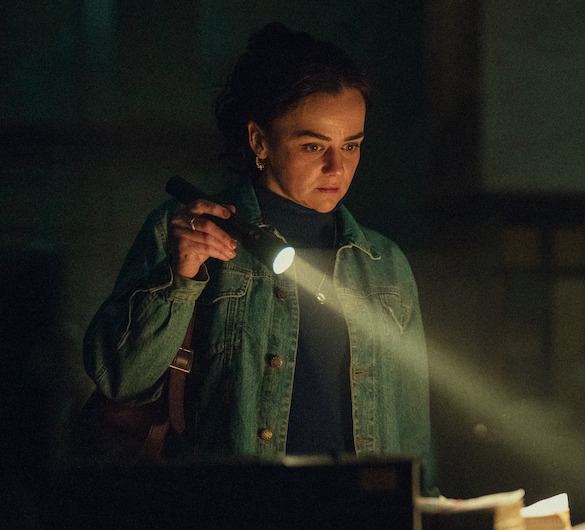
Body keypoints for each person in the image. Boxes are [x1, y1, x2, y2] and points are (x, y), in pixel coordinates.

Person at [82, 23, 435, 493]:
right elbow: (119, 378)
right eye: (314, 146)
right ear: (259, 141)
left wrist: (421, 527)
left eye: (351, 145)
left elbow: (413, 438)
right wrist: (180, 277)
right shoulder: (190, 231)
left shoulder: (383, 264)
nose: (338, 167)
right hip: (232, 528)